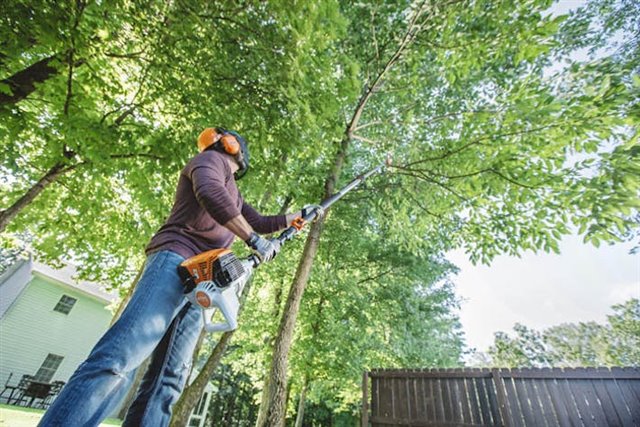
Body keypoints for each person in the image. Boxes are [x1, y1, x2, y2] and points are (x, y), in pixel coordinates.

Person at [39, 128, 300, 427]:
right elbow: (211, 195)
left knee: (170, 378)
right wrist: (253, 240)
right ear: (232, 146)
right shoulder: (209, 160)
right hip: (176, 260)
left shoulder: (235, 194)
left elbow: (262, 222)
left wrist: (295, 217)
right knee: (120, 359)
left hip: (206, 279)